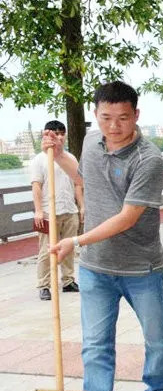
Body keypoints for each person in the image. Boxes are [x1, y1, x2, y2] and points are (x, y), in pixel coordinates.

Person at [44, 81, 163, 391]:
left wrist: (76, 241)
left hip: (141, 267)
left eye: (123, 118)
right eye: (105, 117)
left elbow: (128, 217)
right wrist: (58, 154)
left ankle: (157, 388)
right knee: (96, 345)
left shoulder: (149, 159)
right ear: (96, 114)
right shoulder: (90, 141)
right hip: (96, 268)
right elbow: (82, 176)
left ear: (137, 115)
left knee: (156, 337)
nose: (114, 126)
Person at [31, 121, 83, 300]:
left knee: (69, 248)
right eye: (55, 133)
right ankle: (44, 284)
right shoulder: (39, 160)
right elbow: (36, 186)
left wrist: (81, 206)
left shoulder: (70, 158)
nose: (59, 136)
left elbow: (78, 183)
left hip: (69, 209)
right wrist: (38, 210)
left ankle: (68, 280)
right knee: (46, 250)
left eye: (62, 133)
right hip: (48, 212)